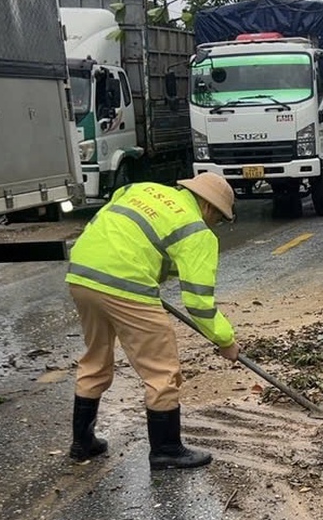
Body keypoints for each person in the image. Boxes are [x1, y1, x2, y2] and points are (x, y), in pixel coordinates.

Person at [65, 172, 241, 470]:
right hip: (126, 283)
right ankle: (166, 450)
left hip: (82, 273)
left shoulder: (141, 188)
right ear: (208, 206)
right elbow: (198, 302)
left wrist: (147, 270)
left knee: (96, 357)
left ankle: (82, 443)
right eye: (219, 218)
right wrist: (226, 341)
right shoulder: (196, 229)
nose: (215, 224)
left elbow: (132, 233)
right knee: (162, 369)